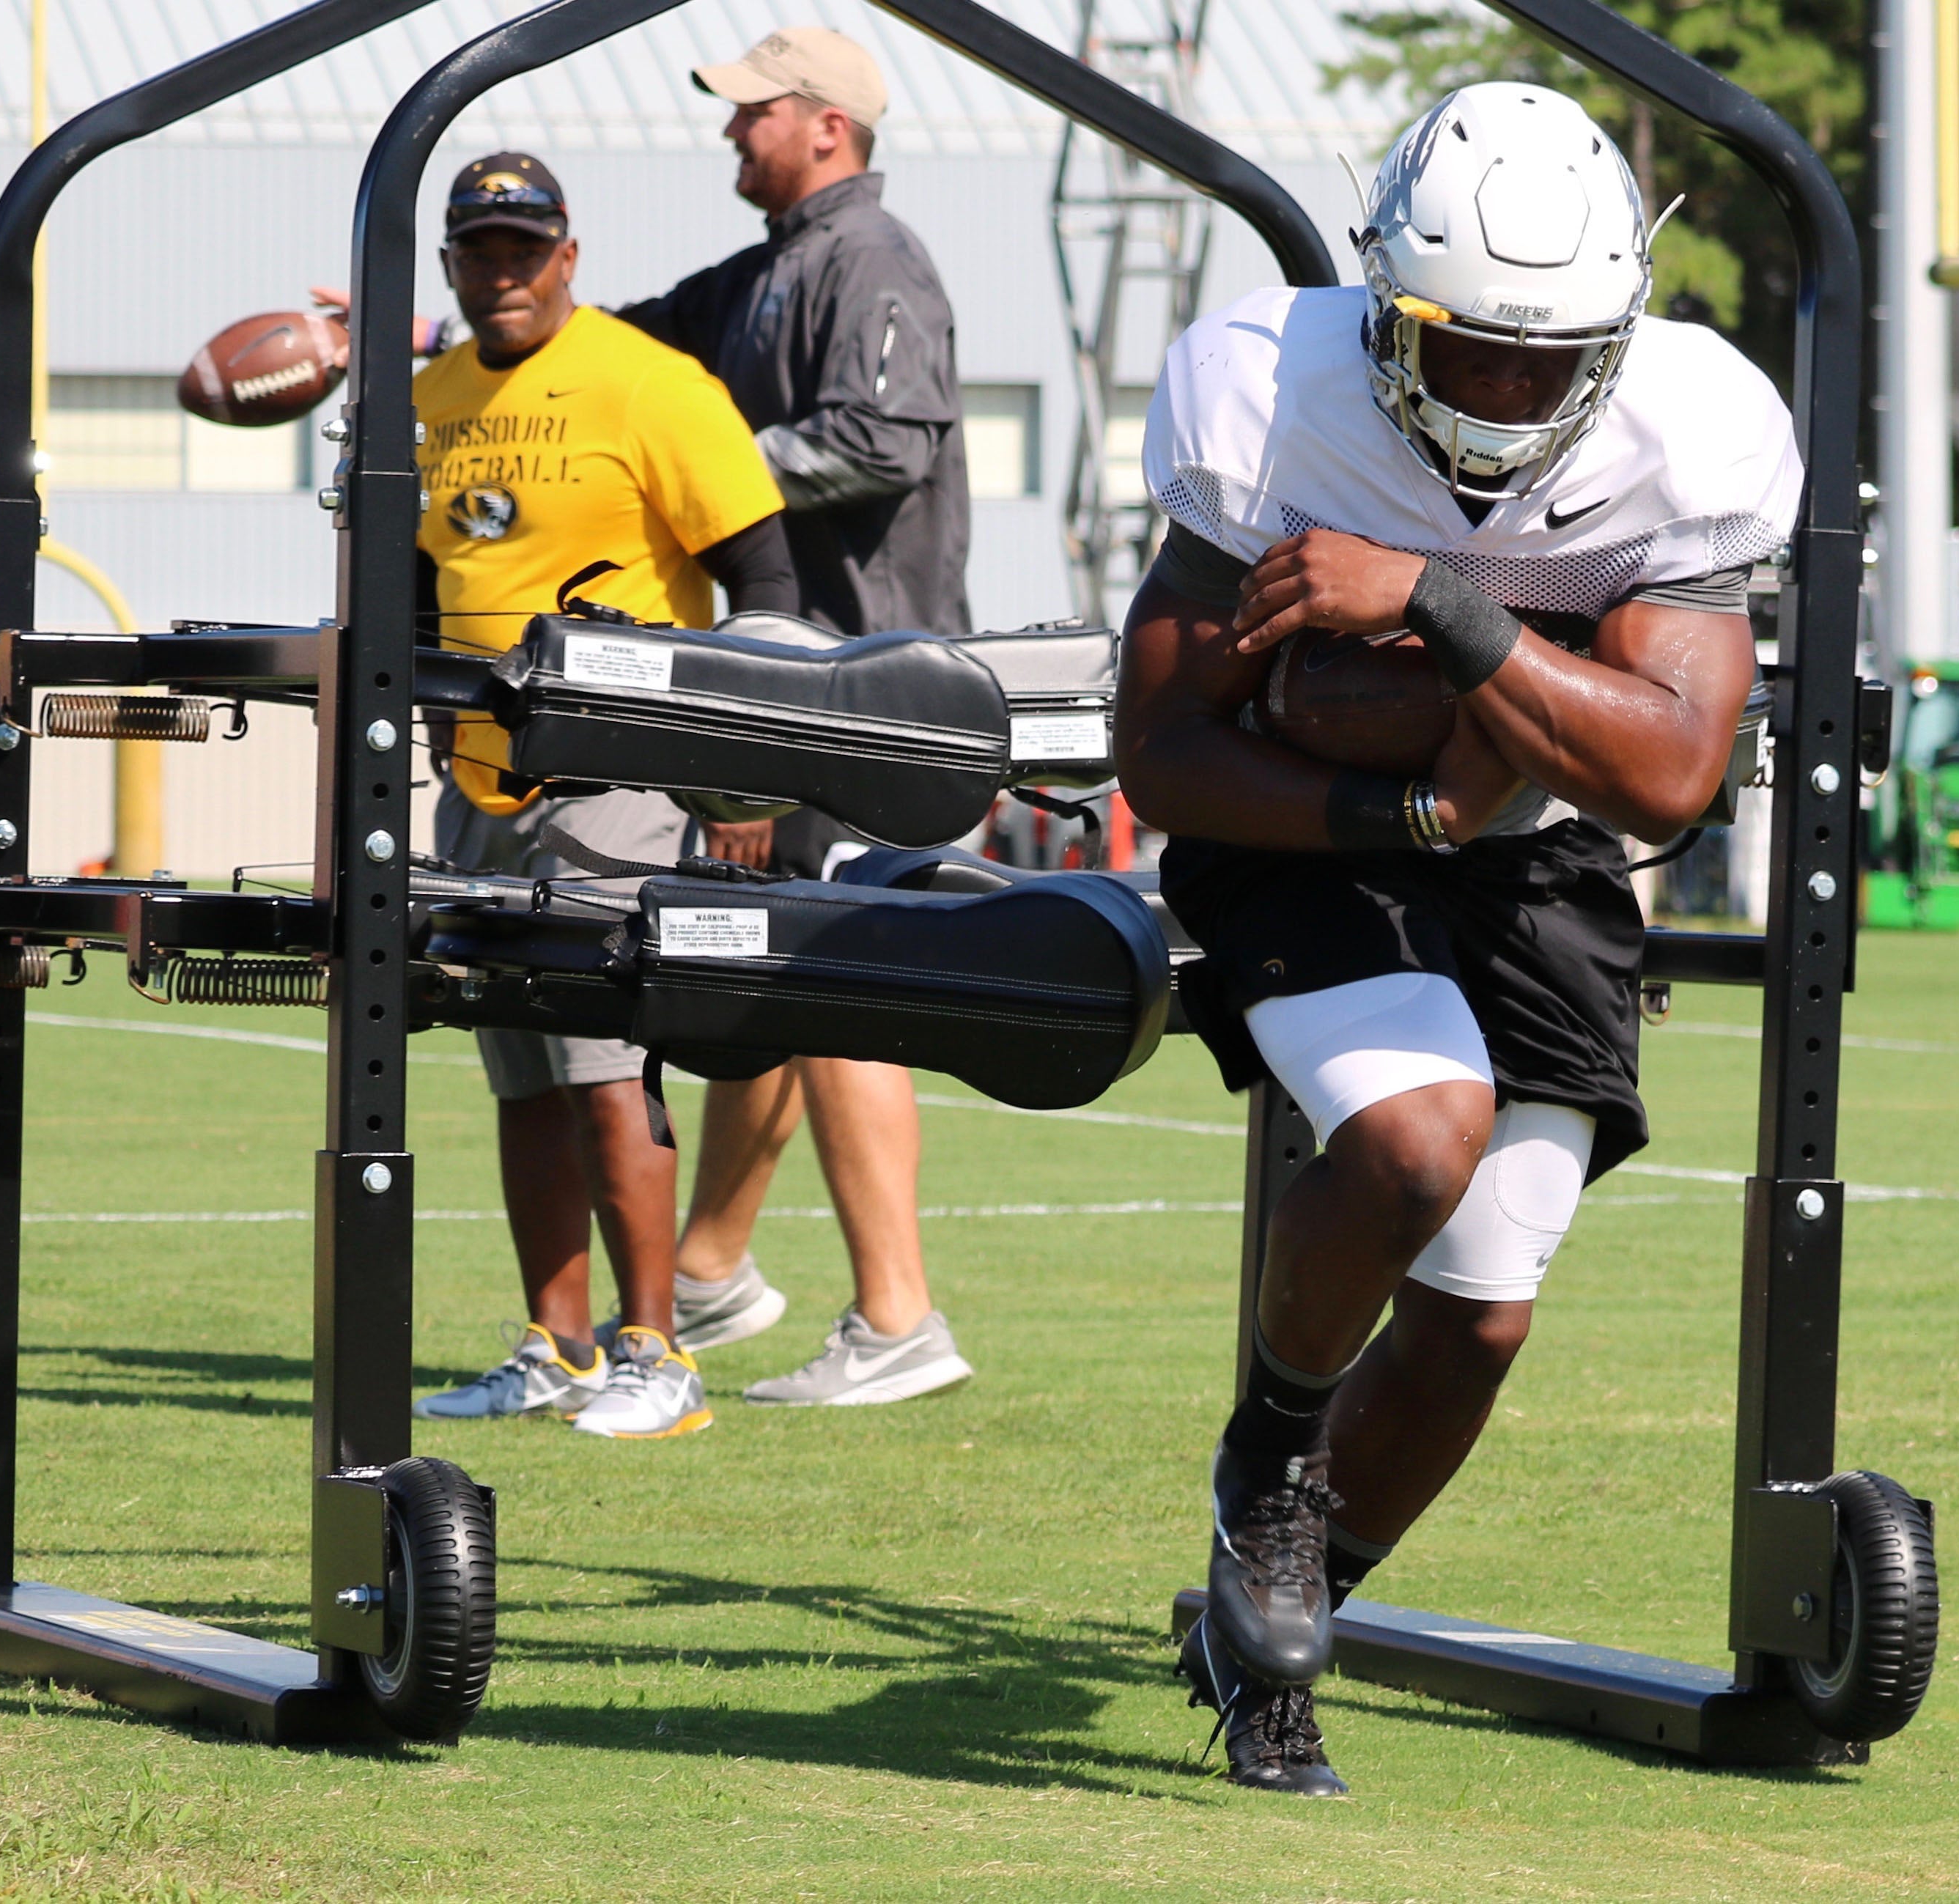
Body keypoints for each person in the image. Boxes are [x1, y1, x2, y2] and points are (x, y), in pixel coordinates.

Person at [1113, 84, 1800, 1793]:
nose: (1503, 393)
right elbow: (1165, 748)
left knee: (1484, 1303)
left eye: (1543, 359)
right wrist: (1401, 809)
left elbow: (1669, 771)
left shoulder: (1689, 430)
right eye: (1465, 350)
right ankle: (1272, 1464)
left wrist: (1433, 601)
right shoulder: (1269, 394)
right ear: (1384, 307)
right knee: (1420, 1141)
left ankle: (1280, 1619)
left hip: (1547, 849)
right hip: (1304, 837)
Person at [398, 152, 801, 1440]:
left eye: (527, 248)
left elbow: (772, 592)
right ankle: (558, 1343)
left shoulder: (651, 384)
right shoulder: (430, 398)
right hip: (479, 777)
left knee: (606, 1061)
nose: (505, 270)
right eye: (482, 249)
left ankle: (658, 1349)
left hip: (613, 768)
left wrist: (736, 769)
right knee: (518, 1068)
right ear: (451, 263)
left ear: (570, 256)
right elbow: (417, 600)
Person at [614, 26, 974, 1408]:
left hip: (863, 685)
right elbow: (618, 358)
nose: (728, 132)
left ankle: (899, 1319)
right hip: (790, 676)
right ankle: (708, 1268)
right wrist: (437, 328)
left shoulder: (873, 259)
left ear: (827, 125)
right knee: (768, 962)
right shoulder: (770, 268)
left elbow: (888, 439)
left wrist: (709, 476)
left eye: (748, 113)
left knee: (836, 975)